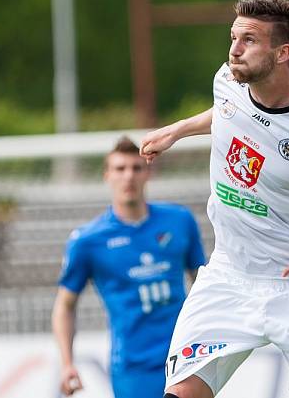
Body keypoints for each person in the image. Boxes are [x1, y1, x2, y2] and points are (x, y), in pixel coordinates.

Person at [140, 0, 289, 398]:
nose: (234, 49)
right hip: (228, 276)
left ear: (283, 53)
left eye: (248, 40)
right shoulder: (228, 79)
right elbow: (226, 111)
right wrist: (176, 129)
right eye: (233, 37)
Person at [51, 136, 206, 398]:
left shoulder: (180, 221)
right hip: (134, 367)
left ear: (149, 173)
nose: (128, 176)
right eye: (120, 169)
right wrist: (67, 363)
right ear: (107, 176)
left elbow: (204, 283)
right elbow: (64, 306)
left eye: (136, 168)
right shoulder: (88, 240)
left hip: (187, 357)